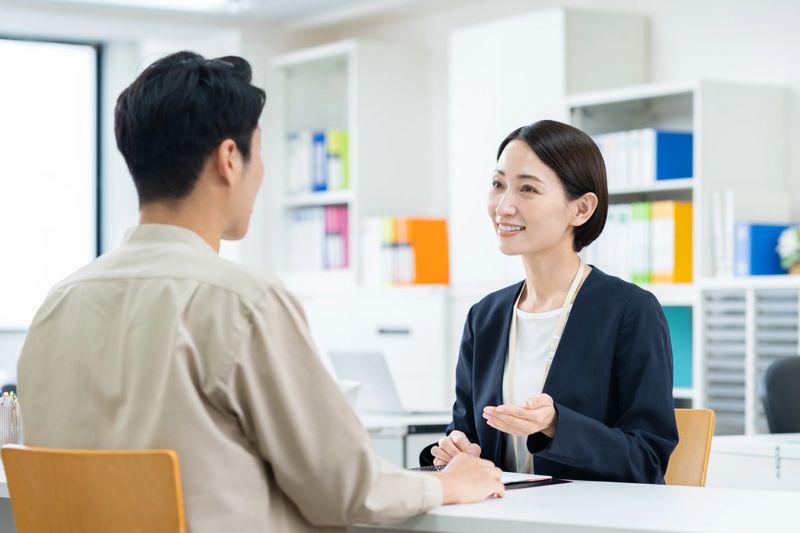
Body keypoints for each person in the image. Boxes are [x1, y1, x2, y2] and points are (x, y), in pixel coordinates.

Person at [17, 51, 503, 533]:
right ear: (230, 158)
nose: (261, 171)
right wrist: (453, 483)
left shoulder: (59, 303)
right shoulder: (239, 300)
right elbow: (349, 489)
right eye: (260, 150)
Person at [420, 120, 678, 483]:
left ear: (581, 209)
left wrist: (558, 425)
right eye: (498, 185)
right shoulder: (486, 317)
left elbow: (648, 460)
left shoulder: (630, 311)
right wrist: (456, 450)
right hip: (502, 515)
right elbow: (465, 432)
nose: (504, 206)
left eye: (527, 189)